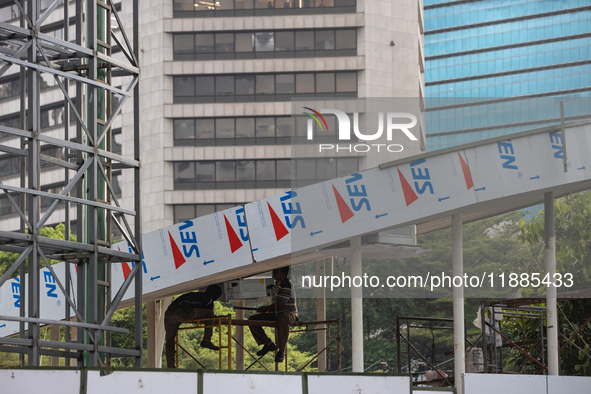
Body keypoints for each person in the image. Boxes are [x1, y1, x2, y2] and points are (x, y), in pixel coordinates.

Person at [164, 284, 223, 368]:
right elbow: (208, 313)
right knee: (210, 314)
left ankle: (170, 366)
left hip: (169, 313)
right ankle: (206, 340)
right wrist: (215, 317)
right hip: (182, 312)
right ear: (216, 298)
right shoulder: (208, 300)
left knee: (170, 342)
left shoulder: (195, 295)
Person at [248, 266, 297, 363]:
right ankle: (268, 343)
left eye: (276, 272)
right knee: (252, 320)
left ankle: (281, 351)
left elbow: (280, 304)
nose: (273, 273)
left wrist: (265, 308)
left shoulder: (286, 286)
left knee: (283, 320)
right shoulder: (275, 285)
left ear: (282, 275)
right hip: (275, 313)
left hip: (288, 313)